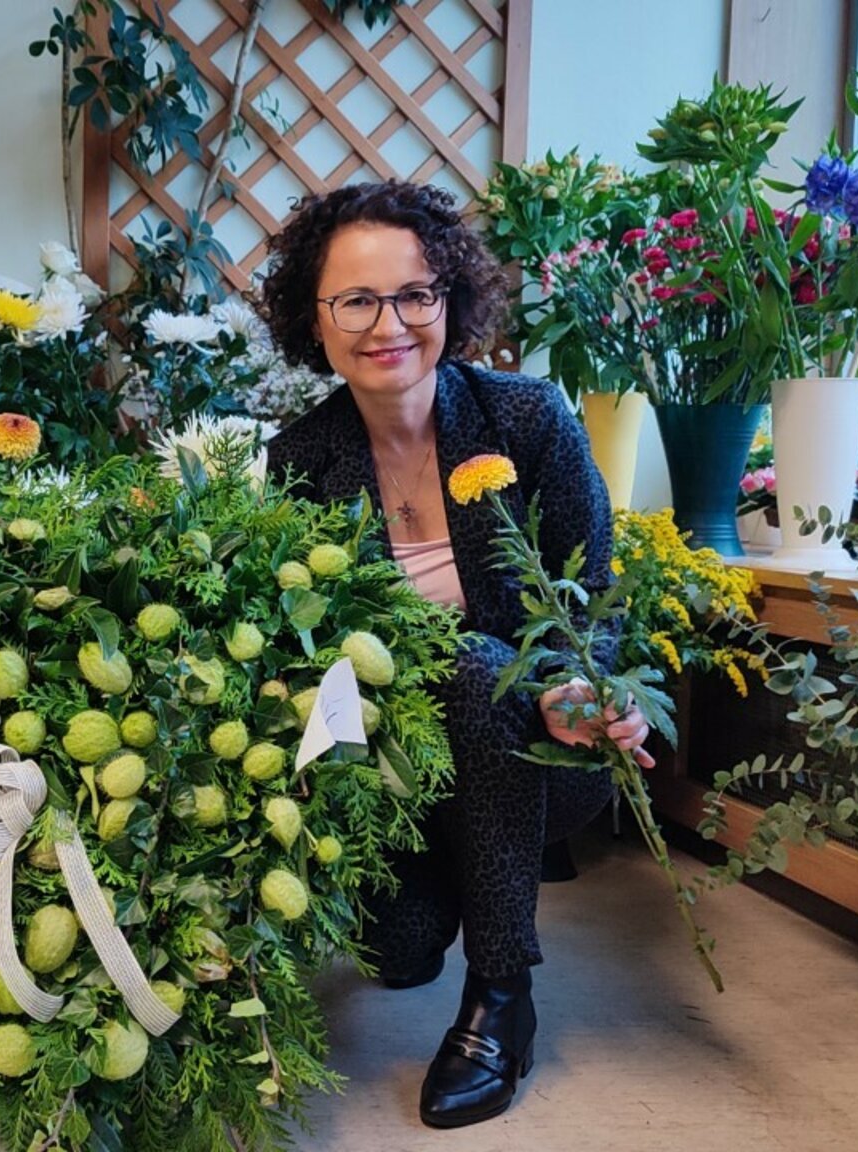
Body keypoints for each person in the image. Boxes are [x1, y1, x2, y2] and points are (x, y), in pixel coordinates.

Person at [259, 180, 655, 1129]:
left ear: (451, 302)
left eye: (414, 294)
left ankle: (502, 997)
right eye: (355, 299)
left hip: (541, 752)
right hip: (401, 775)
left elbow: (593, 601)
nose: (386, 322)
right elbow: (309, 654)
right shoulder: (301, 462)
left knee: (476, 664)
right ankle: (447, 901)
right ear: (314, 319)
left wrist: (578, 692)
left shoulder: (526, 421)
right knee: (395, 953)